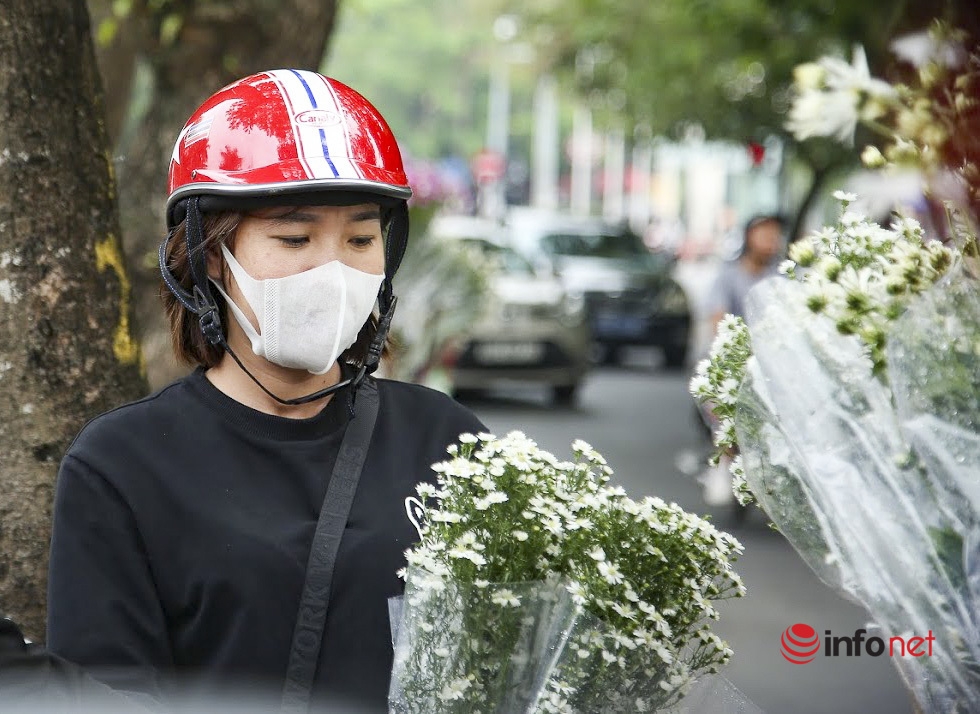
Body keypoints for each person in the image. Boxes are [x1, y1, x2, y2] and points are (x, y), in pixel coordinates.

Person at [45, 69, 486, 713]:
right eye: (294, 237)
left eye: (361, 238)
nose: (333, 269)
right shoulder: (121, 464)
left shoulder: (446, 438)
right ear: (208, 254)